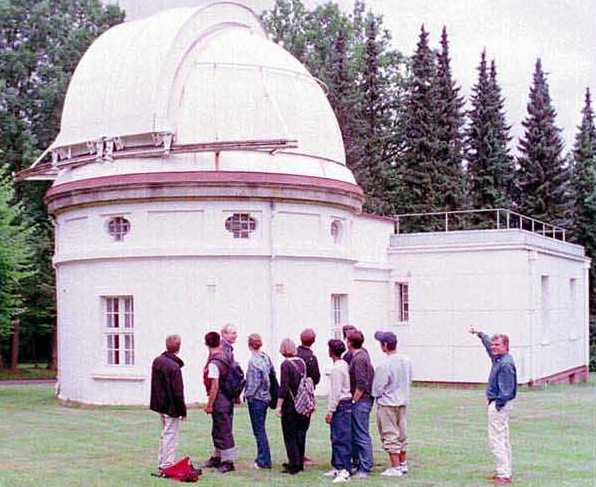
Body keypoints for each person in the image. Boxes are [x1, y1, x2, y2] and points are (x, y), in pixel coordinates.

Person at [469, 327, 517, 485]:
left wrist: (498, 404)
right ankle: (504, 471)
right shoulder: (498, 358)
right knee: (503, 437)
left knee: (496, 439)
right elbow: (489, 344)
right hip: (498, 403)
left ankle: (503, 474)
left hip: (499, 404)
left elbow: (507, 390)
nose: (494, 347)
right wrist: (480, 334)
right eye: (493, 345)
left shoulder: (505, 364)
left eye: (498, 345)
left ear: (506, 346)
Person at [371, 331, 412, 477]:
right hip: (402, 401)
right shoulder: (406, 360)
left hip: (388, 402)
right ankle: (402, 463)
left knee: (389, 434)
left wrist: (376, 395)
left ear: (385, 345)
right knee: (402, 433)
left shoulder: (384, 364)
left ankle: (395, 467)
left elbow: (377, 388)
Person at [150, 335, 187, 474]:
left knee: (165, 433)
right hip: (171, 406)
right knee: (170, 434)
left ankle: (162, 461)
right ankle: (167, 464)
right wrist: (182, 411)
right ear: (179, 347)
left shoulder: (157, 361)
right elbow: (178, 392)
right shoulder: (174, 367)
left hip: (160, 403)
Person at [203, 331, 236, 474]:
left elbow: (214, 385)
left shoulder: (214, 363)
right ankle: (217, 456)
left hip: (220, 399)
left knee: (224, 430)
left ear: (206, 344)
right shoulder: (225, 356)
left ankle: (228, 461)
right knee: (218, 428)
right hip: (227, 397)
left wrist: (209, 404)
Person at [276, 338, 310, 475]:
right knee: (300, 434)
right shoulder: (301, 362)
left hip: (290, 404)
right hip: (302, 402)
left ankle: (293, 464)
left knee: (290, 435)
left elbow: (284, 387)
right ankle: (299, 462)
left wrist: (279, 406)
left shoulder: (285, 365)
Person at [347, 329, 375, 479]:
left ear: (349, 342)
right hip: (363, 400)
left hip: (362, 401)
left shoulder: (359, 359)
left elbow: (361, 384)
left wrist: (353, 401)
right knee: (358, 433)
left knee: (361, 433)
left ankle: (365, 467)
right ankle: (360, 463)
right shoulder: (362, 355)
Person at [323, 339, 352, 483]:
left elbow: (336, 392)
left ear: (331, 352)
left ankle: (344, 469)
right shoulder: (343, 365)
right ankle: (337, 466)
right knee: (336, 436)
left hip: (341, 405)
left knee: (340, 437)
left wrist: (330, 411)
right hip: (343, 404)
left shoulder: (336, 369)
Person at [245, 333, 273, 470]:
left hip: (257, 399)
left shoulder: (253, 362)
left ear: (249, 344)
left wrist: (247, 395)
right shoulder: (265, 357)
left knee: (259, 430)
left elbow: (253, 383)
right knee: (261, 429)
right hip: (266, 397)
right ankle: (263, 457)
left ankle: (264, 459)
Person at [297, 328, 320, 466]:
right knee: (303, 426)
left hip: (293, 395)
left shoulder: (294, 354)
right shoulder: (311, 358)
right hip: (305, 396)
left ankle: (295, 454)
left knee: (294, 426)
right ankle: (300, 455)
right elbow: (316, 378)